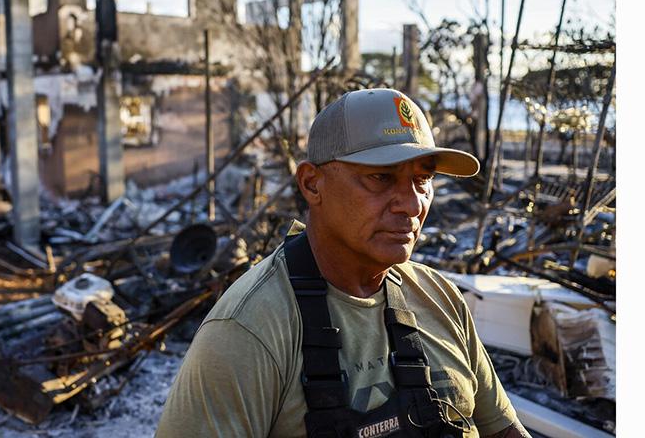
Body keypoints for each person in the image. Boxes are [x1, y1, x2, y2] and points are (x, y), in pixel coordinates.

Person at [156, 88, 530, 438]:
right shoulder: (248, 330)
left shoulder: (440, 299)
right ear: (312, 183)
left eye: (423, 178)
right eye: (381, 177)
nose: (413, 205)